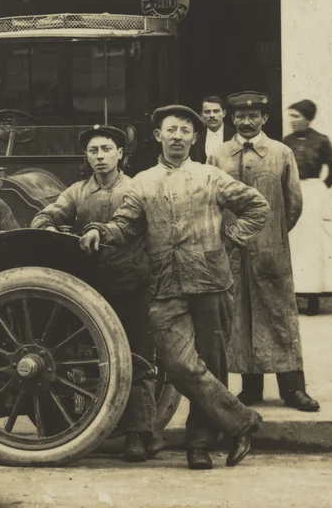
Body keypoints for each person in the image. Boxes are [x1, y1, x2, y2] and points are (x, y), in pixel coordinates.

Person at [80, 104, 268, 471]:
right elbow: (124, 225)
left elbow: (256, 207)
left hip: (211, 283)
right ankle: (243, 422)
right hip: (165, 286)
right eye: (171, 130)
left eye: (185, 131)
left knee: (210, 366)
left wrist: (229, 239)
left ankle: (199, 446)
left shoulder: (211, 177)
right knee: (178, 363)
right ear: (158, 136)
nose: (178, 136)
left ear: (194, 138)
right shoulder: (143, 183)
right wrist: (99, 231)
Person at [30, 125, 155, 463]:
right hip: (88, 288)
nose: (100, 156)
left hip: (129, 285)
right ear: (86, 157)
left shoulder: (136, 188)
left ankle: (138, 435)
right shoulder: (77, 191)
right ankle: (67, 429)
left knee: (135, 360)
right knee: (72, 356)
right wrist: (49, 228)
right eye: (93, 151)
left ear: (120, 154)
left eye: (106, 149)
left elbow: (140, 228)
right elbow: (45, 214)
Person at [209, 92, 318, 413]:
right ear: (232, 119)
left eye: (253, 115)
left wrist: (272, 237)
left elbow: (293, 203)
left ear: (264, 119)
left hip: (271, 252)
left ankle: (293, 389)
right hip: (231, 253)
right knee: (239, 317)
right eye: (240, 116)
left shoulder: (281, 153)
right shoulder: (218, 156)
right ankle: (250, 387)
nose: (246, 121)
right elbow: (210, 202)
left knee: (280, 315)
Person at [283, 99, 332, 316]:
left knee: (312, 246)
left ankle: (313, 299)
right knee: (292, 243)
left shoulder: (321, 141)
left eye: (296, 116)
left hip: (313, 196)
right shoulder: (287, 141)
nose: (291, 121)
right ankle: (292, 297)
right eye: (290, 116)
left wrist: (318, 189)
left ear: (307, 119)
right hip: (292, 194)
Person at [193, 95, 235, 164]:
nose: (211, 115)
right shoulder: (196, 138)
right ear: (201, 115)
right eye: (207, 112)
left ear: (224, 113)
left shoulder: (234, 135)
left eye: (216, 111)